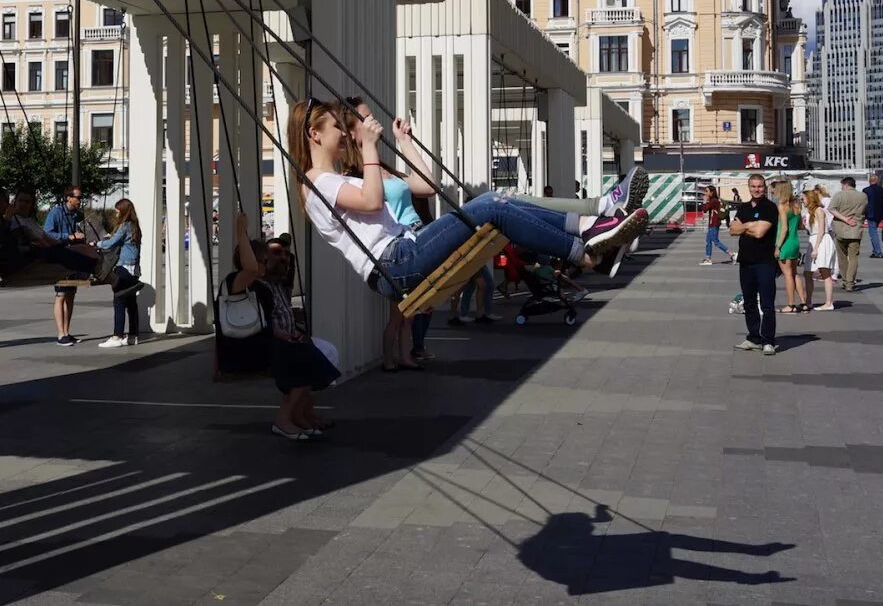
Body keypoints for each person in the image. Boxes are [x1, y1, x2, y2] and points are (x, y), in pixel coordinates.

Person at [287, 100, 648, 314]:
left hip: (405, 249)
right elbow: (371, 200)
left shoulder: (330, 179)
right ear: (314, 134)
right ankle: (586, 239)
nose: (342, 133)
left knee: (500, 202)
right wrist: (367, 146)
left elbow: (424, 187)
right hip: (394, 263)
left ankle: (588, 234)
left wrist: (400, 143)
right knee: (492, 204)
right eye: (336, 126)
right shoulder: (318, 181)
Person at [342, 99, 437, 370]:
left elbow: (427, 186)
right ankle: (392, 359)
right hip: (399, 246)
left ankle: (401, 357)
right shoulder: (357, 176)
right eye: (365, 118)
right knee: (400, 313)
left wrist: (405, 142)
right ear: (350, 132)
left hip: (417, 235)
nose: (373, 121)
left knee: (407, 312)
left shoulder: (383, 168)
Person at [226, 215, 338, 440]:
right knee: (306, 360)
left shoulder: (271, 285)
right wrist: (241, 235)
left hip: (274, 342)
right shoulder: (239, 282)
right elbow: (249, 267)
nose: (268, 264)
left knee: (316, 355)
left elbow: (285, 270)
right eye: (264, 260)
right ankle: (284, 419)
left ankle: (299, 414)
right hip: (251, 347)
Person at [730, 173, 779, 355]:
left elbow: (760, 233)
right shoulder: (743, 207)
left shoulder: (770, 207)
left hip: (764, 262)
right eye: (753, 186)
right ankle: (753, 338)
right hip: (746, 261)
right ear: (748, 187)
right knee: (749, 302)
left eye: (760, 186)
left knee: (767, 303)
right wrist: (750, 225)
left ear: (764, 187)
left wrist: (744, 227)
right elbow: (732, 230)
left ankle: (768, 340)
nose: (756, 189)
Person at [45, 185, 91, 346]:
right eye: (77, 197)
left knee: (71, 294)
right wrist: (69, 236)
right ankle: (60, 334)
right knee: (61, 295)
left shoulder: (77, 215)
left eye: (80, 197)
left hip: (74, 258)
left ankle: (67, 332)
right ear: (68, 198)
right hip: (60, 259)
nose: (80, 200)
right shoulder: (56, 212)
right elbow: (47, 233)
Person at [97, 198, 144, 348]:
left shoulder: (124, 226)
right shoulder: (135, 226)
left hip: (123, 267)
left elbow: (111, 244)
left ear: (123, 212)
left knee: (119, 300)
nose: (116, 214)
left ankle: (117, 336)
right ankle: (133, 335)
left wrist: (96, 243)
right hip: (134, 268)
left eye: (117, 211)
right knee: (131, 303)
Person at [775, 185, 810, 314]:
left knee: (787, 275)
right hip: (795, 241)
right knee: (795, 273)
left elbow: (784, 228)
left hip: (786, 243)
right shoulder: (796, 206)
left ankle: (790, 304)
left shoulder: (782, 207)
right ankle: (803, 302)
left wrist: (778, 246)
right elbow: (800, 225)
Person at [829, 177, 867, 292]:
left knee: (842, 257)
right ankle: (850, 282)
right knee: (854, 257)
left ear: (845, 185)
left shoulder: (839, 195)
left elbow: (832, 209)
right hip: (856, 229)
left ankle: (845, 280)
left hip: (841, 229)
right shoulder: (863, 196)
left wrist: (845, 218)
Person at [804, 188, 836, 311]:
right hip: (813, 240)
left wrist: (816, 248)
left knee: (825, 271)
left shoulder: (819, 211)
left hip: (822, 240)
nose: (803, 201)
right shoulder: (809, 213)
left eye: (804, 199)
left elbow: (822, 230)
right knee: (807, 272)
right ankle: (808, 300)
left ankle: (829, 302)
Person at [700, 185, 734, 266]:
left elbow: (705, 209)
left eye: (707, 191)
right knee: (708, 241)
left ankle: (731, 254)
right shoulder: (714, 200)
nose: (705, 193)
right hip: (712, 223)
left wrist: (704, 201)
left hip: (714, 224)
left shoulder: (714, 201)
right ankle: (708, 258)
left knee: (716, 242)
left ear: (711, 192)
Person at [864, 173, 883, 258]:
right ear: (877, 181)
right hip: (880, 214)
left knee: (873, 233)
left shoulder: (866, 190)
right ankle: (875, 251)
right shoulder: (882, 190)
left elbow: (864, 203)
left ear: (869, 181)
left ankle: (878, 252)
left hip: (870, 214)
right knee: (873, 232)